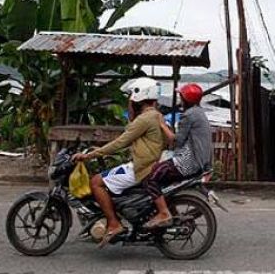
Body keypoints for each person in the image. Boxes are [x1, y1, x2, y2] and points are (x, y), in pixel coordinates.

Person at [73, 76, 166, 246]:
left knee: (96, 182)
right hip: (147, 163)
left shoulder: (144, 119)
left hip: (140, 168)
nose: (129, 99)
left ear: (139, 95)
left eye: (131, 96)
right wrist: (99, 151)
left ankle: (114, 223)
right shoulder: (154, 116)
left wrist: (89, 155)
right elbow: (133, 140)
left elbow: (121, 141)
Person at [143, 83, 212, 229]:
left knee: (151, 177)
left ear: (186, 99)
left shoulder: (188, 115)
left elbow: (177, 141)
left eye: (181, 97)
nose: (180, 100)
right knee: (161, 178)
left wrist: (163, 125)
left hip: (187, 161)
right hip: (200, 161)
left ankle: (164, 213)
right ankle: (168, 209)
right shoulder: (199, 112)